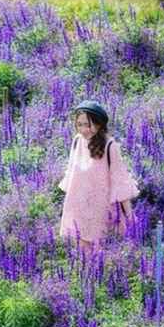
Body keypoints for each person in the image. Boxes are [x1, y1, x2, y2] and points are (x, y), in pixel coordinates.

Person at [57, 100, 139, 254]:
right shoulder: (77, 141)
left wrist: (130, 215)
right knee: (83, 257)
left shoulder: (110, 146)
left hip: (101, 211)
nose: (83, 129)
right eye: (79, 124)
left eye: (88, 125)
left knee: (102, 255)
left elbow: (120, 181)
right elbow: (71, 174)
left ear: (99, 124)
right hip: (79, 207)